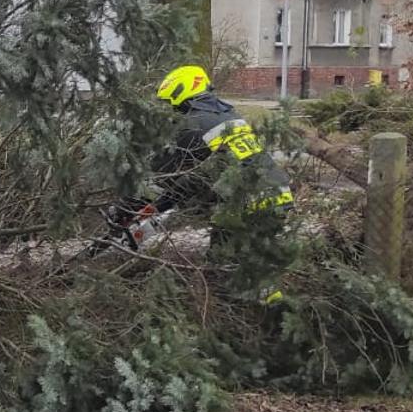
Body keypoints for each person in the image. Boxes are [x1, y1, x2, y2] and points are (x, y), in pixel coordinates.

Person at [108, 65, 293, 302]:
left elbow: (160, 176)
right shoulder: (228, 116)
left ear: (181, 96)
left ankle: (238, 312)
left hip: (246, 204)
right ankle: (271, 309)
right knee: (253, 270)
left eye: (173, 105)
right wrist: (159, 207)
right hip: (278, 195)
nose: (173, 112)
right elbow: (198, 179)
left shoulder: (194, 124)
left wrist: (125, 208)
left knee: (222, 269)